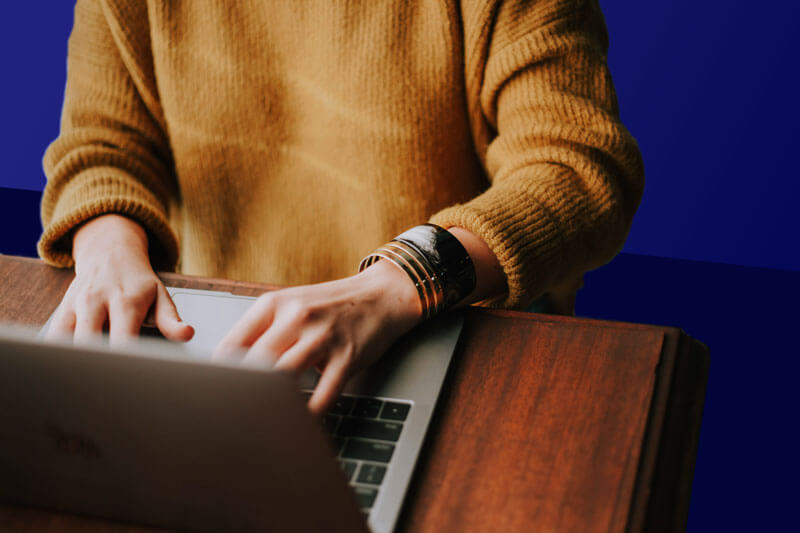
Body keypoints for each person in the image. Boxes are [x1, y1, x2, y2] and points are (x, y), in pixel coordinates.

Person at [38, 0, 644, 414]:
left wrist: (403, 281)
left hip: (447, 334)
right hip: (220, 346)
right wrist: (106, 247)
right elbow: (100, 146)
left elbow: (578, 167)